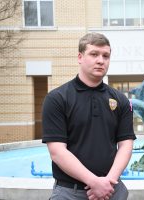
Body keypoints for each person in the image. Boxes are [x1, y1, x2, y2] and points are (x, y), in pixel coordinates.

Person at [42, 32, 136, 200]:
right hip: (70, 193)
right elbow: (57, 151)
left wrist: (108, 182)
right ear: (80, 57)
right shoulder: (57, 98)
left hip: (112, 190)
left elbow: (126, 145)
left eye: (105, 56)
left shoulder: (120, 100)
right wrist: (93, 182)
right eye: (94, 54)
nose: (101, 60)